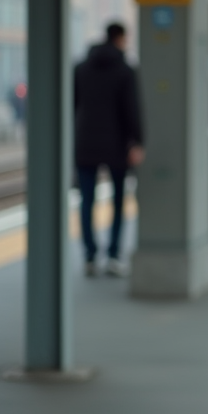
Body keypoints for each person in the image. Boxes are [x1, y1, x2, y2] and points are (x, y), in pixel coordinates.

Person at [74, 22, 144, 277]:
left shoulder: (81, 68)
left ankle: (90, 256)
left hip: (85, 143)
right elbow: (131, 109)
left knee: (87, 201)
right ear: (121, 39)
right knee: (118, 200)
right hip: (116, 144)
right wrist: (137, 141)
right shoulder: (125, 70)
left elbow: (73, 106)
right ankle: (114, 255)